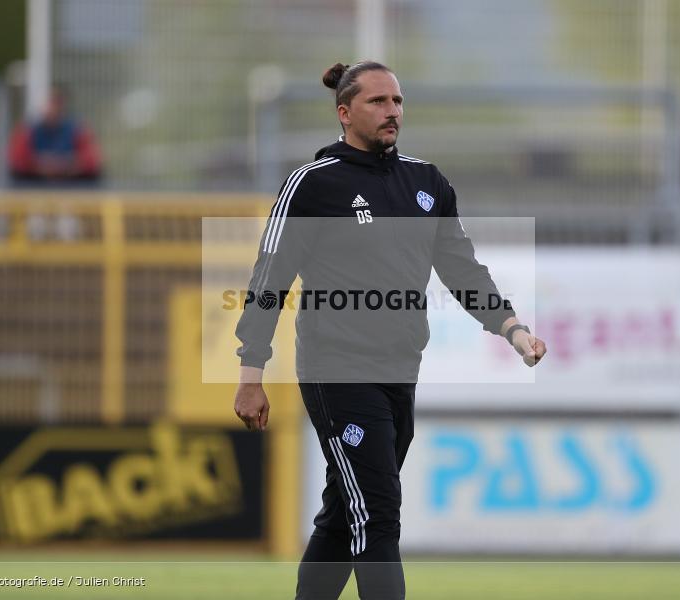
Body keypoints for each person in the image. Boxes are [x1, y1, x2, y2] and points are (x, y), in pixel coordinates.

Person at [232, 61, 546, 600]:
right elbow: (269, 279)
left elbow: (462, 270)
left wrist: (511, 327)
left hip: (399, 371)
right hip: (337, 371)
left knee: (344, 510)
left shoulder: (426, 183)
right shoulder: (312, 185)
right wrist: (249, 371)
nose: (392, 111)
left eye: (397, 101)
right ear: (344, 112)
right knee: (377, 512)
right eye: (378, 102)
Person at [8, 88, 102, 184]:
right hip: (36, 181)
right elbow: (18, 160)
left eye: (56, 104)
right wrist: (40, 166)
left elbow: (91, 161)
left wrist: (64, 166)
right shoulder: (29, 130)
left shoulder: (78, 130)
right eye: (50, 104)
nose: (52, 109)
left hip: (70, 181)